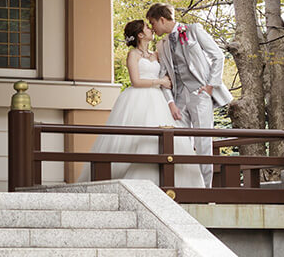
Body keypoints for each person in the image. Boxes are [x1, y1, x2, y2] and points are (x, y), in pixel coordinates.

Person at [78, 19, 204, 187]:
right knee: (135, 138)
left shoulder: (156, 54)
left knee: (164, 139)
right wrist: (159, 82)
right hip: (138, 98)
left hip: (158, 99)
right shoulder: (133, 55)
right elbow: (135, 81)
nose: (151, 29)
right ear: (140, 35)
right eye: (147, 27)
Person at [147, 3, 232, 187]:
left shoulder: (194, 30)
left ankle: (206, 190)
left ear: (162, 19)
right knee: (181, 144)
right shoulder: (161, 45)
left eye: (152, 22)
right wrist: (170, 102)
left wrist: (210, 86)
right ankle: (186, 187)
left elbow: (218, 56)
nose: (152, 27)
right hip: (178, 99)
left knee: (203, 142)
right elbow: (163, 76)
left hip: (200, 93)